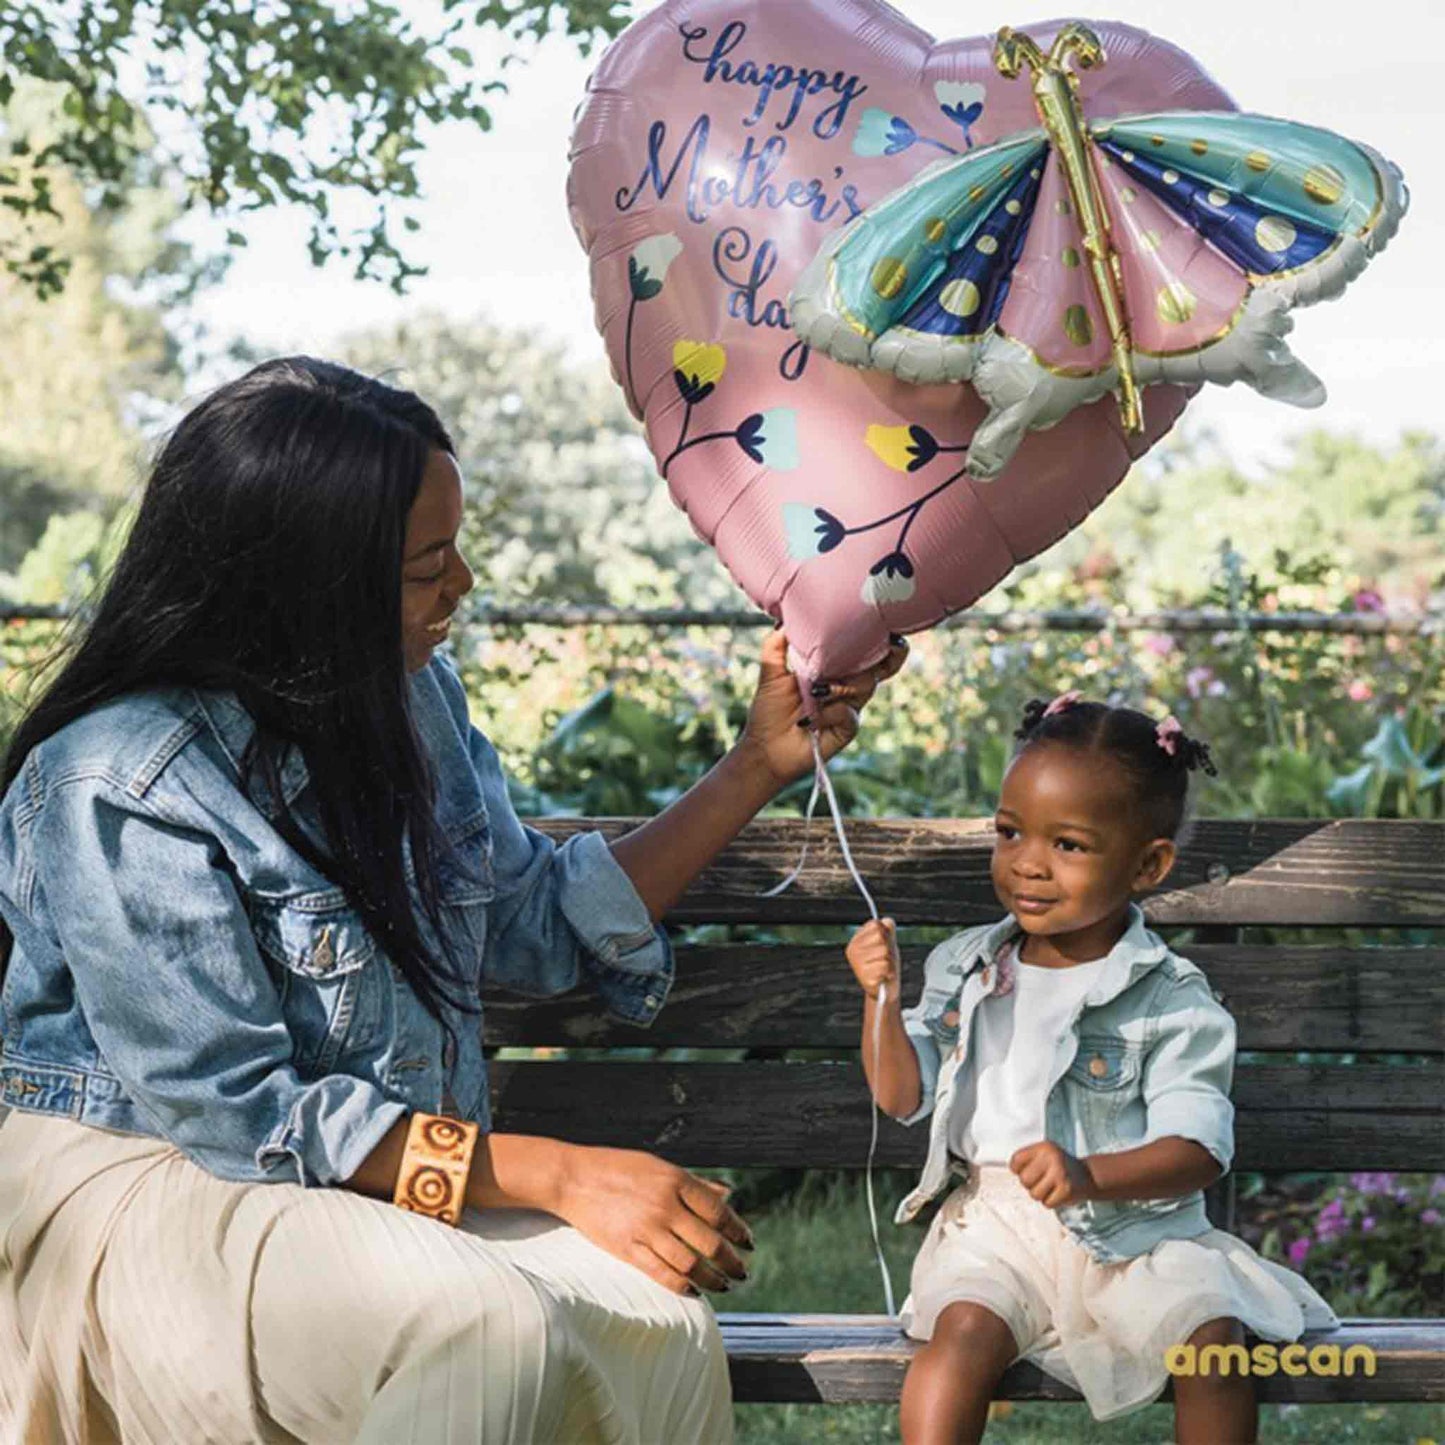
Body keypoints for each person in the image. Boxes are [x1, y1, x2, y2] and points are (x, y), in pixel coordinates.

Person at [0, 355, 907, 1445]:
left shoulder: (407, 697)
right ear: (308, 585)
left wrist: (758, 763)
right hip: (149, 1185)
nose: (463, 584)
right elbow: (239, 1111)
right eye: (430, 563)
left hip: (348, 1192)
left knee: (657, 1322)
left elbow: (529, 922)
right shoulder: (122, 773)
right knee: (484, 1328)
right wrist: (559, 1173)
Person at [845, 692, 1336, 1445]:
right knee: (962, 1333)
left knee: (1210, 1340)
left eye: (1068, 845)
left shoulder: (1169, 999)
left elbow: (1198, 1150)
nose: (1027, 863)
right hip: (993, 1227)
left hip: (1132, 1232)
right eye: (1009, 832)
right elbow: (900, 1094)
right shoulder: (966, 966)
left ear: (1148, 864)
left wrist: (1087, 1174)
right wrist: (880, 998)